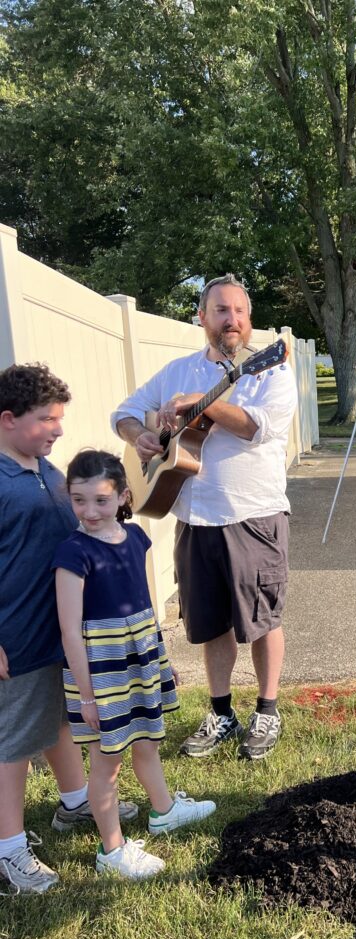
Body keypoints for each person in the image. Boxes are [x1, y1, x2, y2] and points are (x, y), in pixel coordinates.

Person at [112, 274, 298, 762]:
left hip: (253, 514)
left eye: (238, 311)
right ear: (202, 317)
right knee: (209, 621)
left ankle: (267, 709)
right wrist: (140, 437)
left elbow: (259, 428)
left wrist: (204, 406)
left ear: (249, 319)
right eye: (220, 310)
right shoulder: (176, 371)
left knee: (261, 618)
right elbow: (126, 412)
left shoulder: (270, 369)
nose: (231, 319)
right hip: (194, 516)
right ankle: (221, 711)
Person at [0, 364, 138, 894]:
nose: (58, 428)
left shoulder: (43, 467)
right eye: (46, 419)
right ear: (8, 419)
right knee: (13, 744)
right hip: (15, 637)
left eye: (60, 418)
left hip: (55, 632)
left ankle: (76, 802)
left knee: (56, 719)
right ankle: (9, 852)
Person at [53, 450, 216, 879]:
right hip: (100, 669)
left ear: (124, 495)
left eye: (101, 500)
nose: (89, 511)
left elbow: (143, 605)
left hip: (138, 657)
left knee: (146, 742)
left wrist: (159, 658)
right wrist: (87, 696)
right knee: (108, 761)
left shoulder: (137, 539)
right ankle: (112, 851)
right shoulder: (72, 553)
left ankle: (163, 811)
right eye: (78, 500)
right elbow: (70, 631)